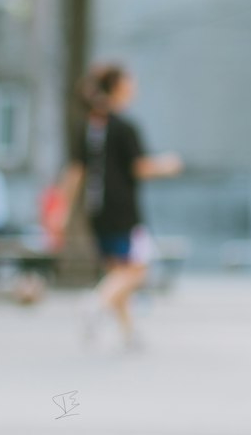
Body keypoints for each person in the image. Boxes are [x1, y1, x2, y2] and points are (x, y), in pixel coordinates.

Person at [61, 63, 181, 351]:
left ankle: (129, 334)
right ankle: (94, 304)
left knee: (118, 271)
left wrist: (63, 209)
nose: (134, 84)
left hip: (97, 210)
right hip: (124, 211)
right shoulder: (124, 127)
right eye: (129, 79)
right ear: (117, 87)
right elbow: (139, 168)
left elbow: (75, 172)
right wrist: (168, 165)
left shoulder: (88, 126)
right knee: (137, 270)